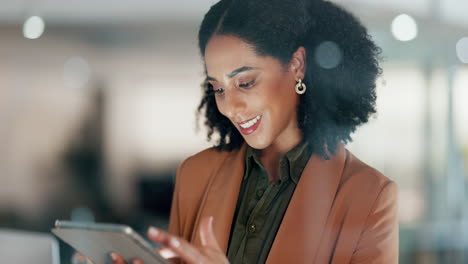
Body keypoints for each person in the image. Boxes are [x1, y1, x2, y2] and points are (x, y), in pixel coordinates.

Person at [108, 0, 399, 263]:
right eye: (218, 88)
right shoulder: (195, 175)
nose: (230, 107)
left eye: (245, 83)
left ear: (297, 65)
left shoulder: (370, 196)